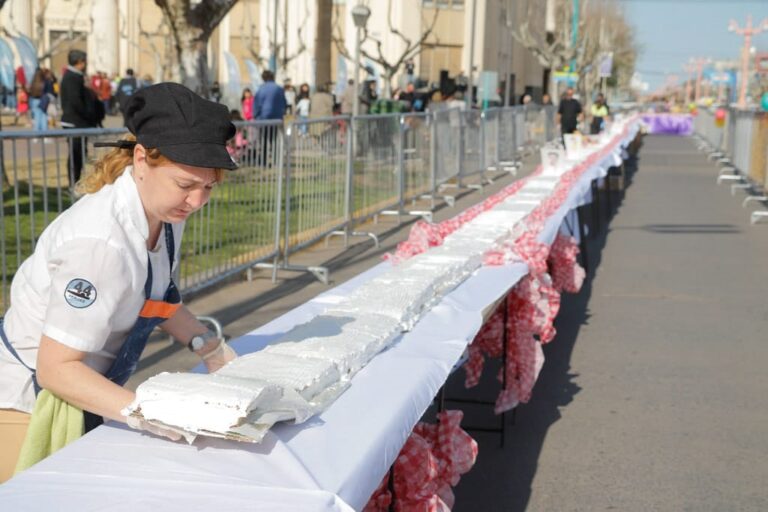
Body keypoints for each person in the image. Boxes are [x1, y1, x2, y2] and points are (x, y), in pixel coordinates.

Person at [0, 82, 239, 483]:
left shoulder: (164, 212)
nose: (197, 201)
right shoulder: (100, 244)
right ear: (142, 160)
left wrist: (210, 349)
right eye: (186, 185)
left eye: (208, 187)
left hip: (82, 391)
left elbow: (155, 298)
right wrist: (148, 414)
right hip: (26, 406)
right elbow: (56, 369)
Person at [60, 50, 101, 186]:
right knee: (75, 154)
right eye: (84, 61)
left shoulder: (75, 76)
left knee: (80, 153)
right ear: (79, 62)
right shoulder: (72, 77)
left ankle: (76, 181)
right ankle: (73, 182)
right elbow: (75, 102)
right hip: (75, 122)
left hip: (79, 122)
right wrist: (89, 115)